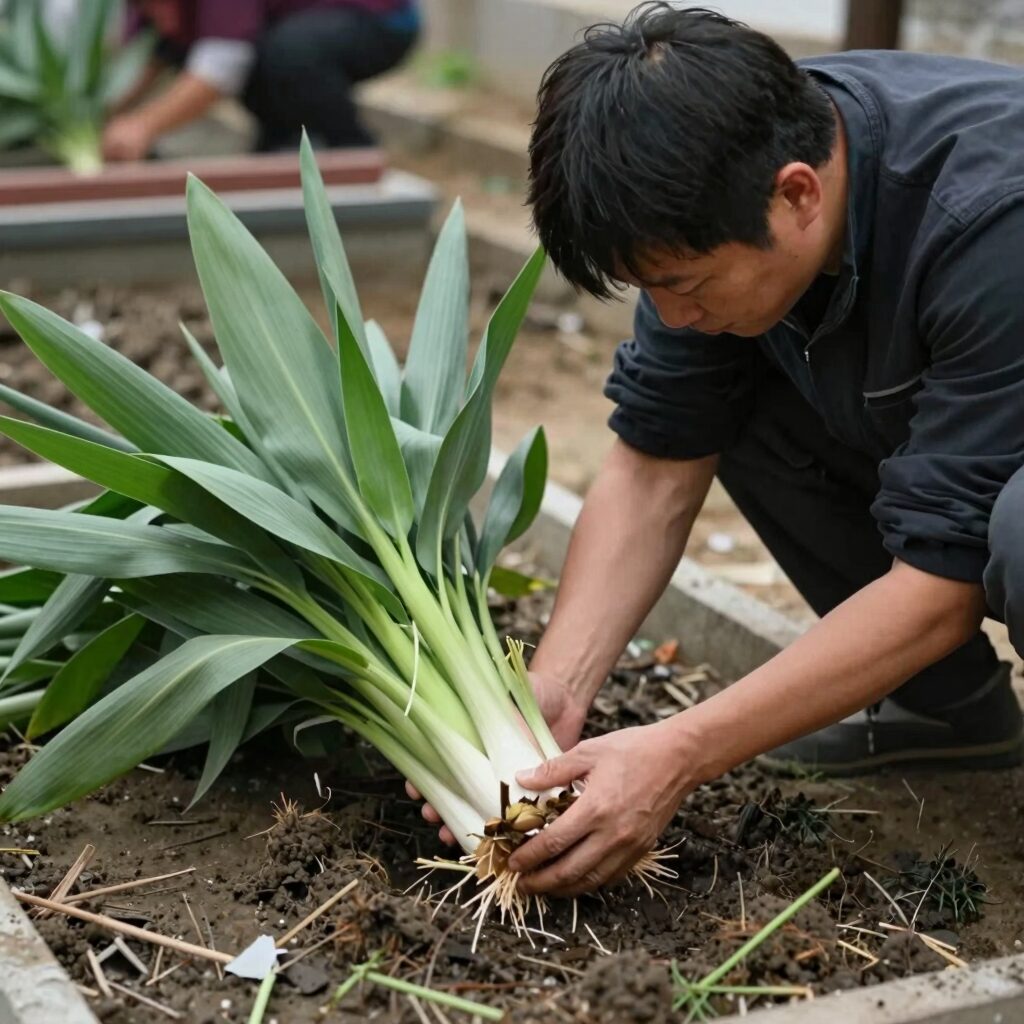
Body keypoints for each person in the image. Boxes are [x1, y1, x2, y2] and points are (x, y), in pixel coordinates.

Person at [415, 2, 1024, 898]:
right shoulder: (720, 183)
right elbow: (655, 458)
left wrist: (680, 752)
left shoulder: (989, 220)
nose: (671, 316)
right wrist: (557, 688)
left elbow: (941, 582)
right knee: (733, 389)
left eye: (684, 285)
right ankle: (951, 718)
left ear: (798, 194)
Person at [103, 0, 420, 160]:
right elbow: (149, 53)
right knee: (263, 50)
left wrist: (143, 126)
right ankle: (280, 142)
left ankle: (351, 150)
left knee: (285, 54)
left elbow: (221, 67)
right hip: (295, 28)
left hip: (381, 21)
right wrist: (100, 114)